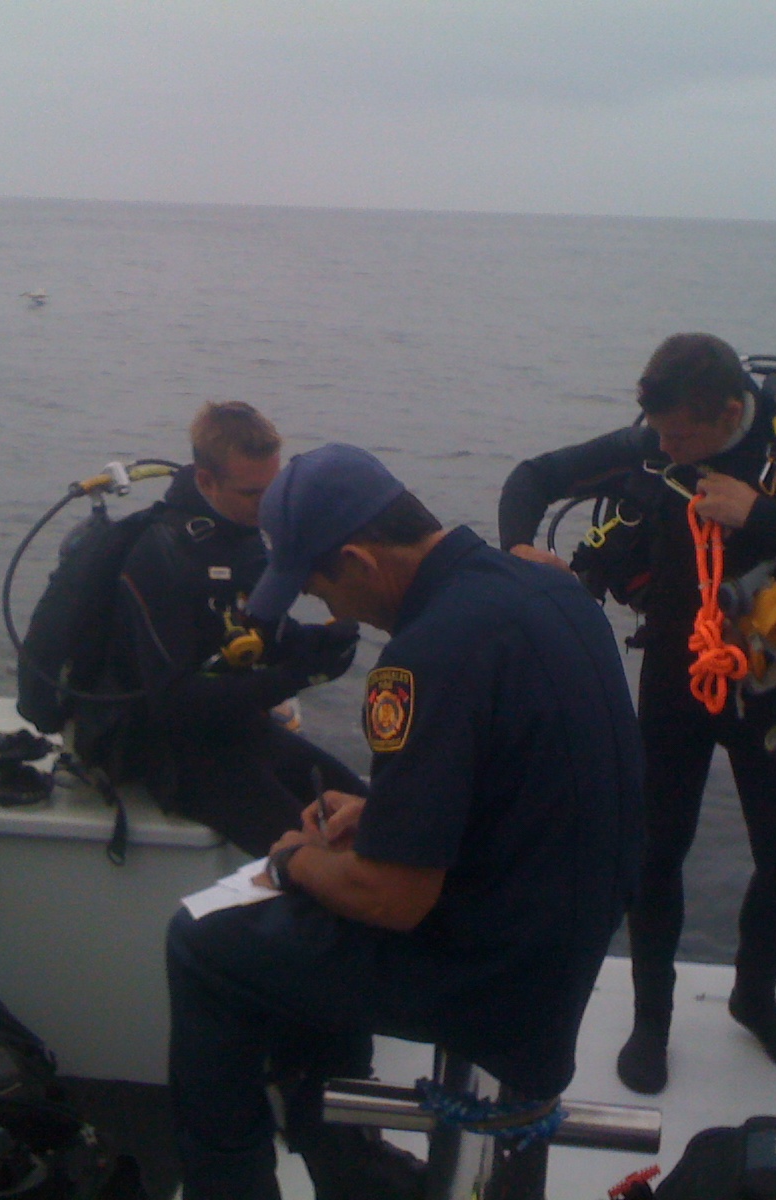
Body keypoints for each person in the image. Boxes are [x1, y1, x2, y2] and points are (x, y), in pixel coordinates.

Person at [166, 444, 644, 1199]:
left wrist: (293, 858)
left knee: (200, 943)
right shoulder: (549, 589)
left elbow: (393, 899)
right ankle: (350, 1165)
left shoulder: (423, 659)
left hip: (497, 981)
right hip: (565, 938)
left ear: (360, 560)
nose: (332, 613)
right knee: (317, 916)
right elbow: (528, 768)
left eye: (322, 589)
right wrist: (382, 813)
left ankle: (237, 1187)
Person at [497, 332, 776, 1095]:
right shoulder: (655, 442)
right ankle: (652, 1021)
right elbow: (534, 477)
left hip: (769, 680)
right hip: (675, 677)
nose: (666, 449)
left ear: (728, 413)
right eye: (659, 433)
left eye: (681, 437)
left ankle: (755, 998)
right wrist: (518, 546)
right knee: (656, 856)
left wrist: (760, 515)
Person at [19, 401, 363, 857]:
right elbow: (174, 701)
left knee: (369, 811)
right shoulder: (162, 558)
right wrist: (298, 676)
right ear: (206, 481)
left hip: (227, 724)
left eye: (273, 489)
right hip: (163, 747)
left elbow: (248, 631)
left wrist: (317, 645)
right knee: (320, 854)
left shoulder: (243, 535)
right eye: (251, 493)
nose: (267, 505)